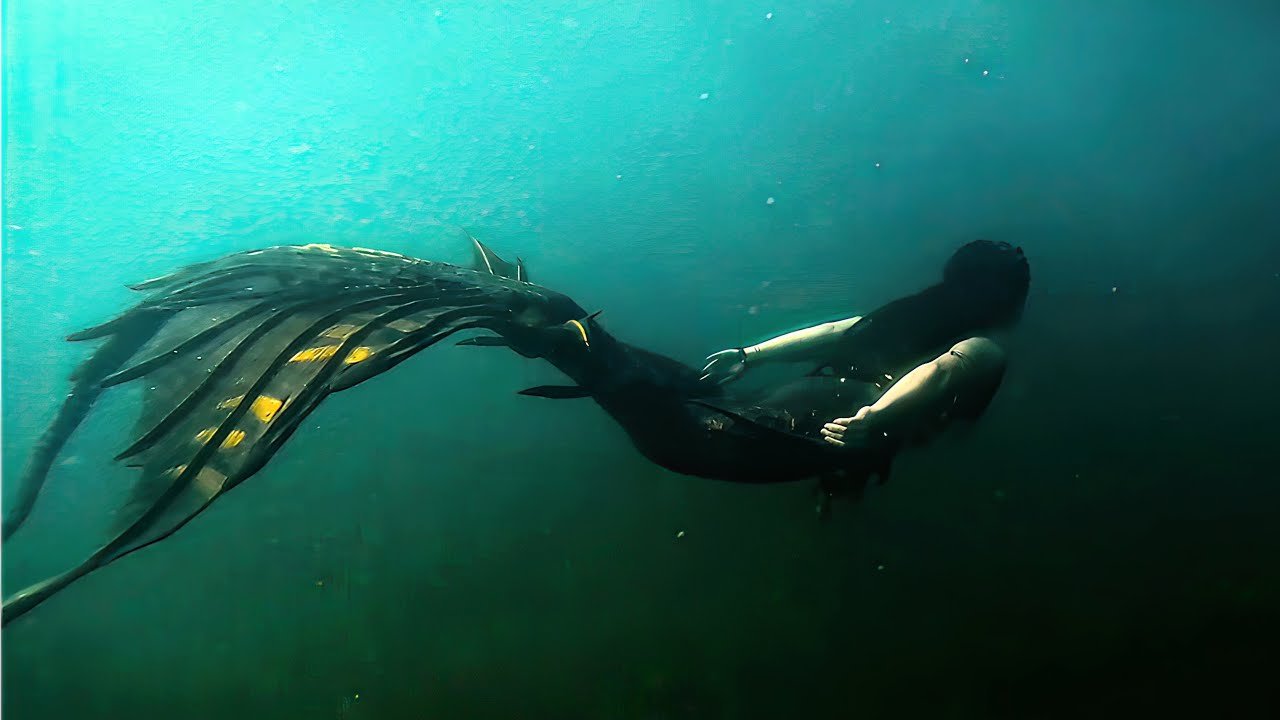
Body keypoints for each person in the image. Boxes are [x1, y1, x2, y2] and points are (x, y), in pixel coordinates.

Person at [699, 239, 1028, 458]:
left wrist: (751, 355)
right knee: (758, 432)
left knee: (742, 420)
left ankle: (711, 422)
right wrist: (874, 417)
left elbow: (839, 329)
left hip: (808, 387)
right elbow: (941, 371)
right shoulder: (987, 348)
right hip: (850, 412)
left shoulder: (904, 308)